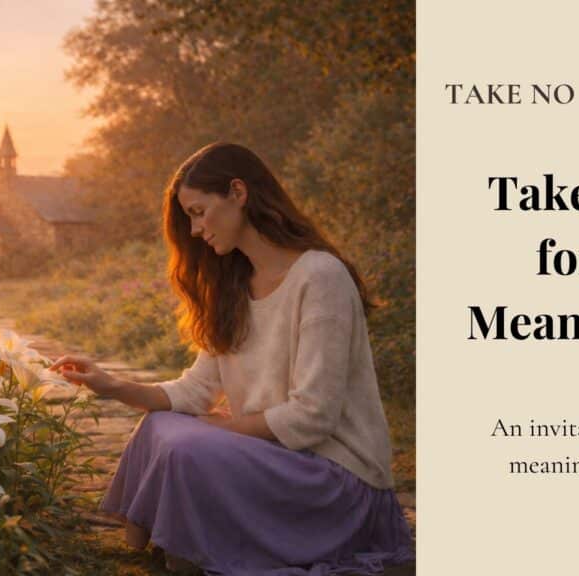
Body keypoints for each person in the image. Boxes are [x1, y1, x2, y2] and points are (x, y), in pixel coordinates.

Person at [48, 142, 414, 575]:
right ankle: (172, 545)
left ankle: (194, 548)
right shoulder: (234, 285)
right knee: (159, 425)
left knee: (187, 448)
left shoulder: (320, 277)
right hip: (273, 458)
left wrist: (222, 429)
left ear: (238, 193)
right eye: (189, 218)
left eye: (199, 212)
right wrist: (109, 384)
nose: (195, 229)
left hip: (335, 480)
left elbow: (312, 416)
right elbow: (195, 390)